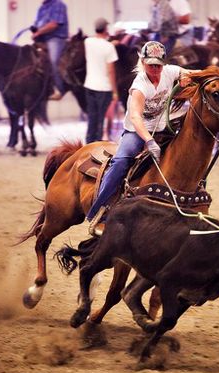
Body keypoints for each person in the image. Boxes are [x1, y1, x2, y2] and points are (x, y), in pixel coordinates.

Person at [86, 41, 195, 234]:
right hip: (137, 131)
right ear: (143, 62)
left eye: (158, 65)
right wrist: (149, 140)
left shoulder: (170, 72)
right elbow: (136, 117)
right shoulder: (139, 87)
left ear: (164, 63)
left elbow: (194, 73)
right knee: (121, 162)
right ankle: (99, 211)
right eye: (151, 64)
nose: (155, 68)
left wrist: (187, 78)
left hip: (163, 128)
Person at [84, 18, 119, 144]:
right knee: (101, 119)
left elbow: (96, 41)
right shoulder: (109, 47)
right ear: (105, 29)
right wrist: (115, 92)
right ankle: (97, 144)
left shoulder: (88, 42)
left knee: (92, 117)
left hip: (89, 85)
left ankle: (88, 143)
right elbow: (111, 71)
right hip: (104, 88)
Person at [31, 0, 69, 100]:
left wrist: (38, 31)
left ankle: (60, 89)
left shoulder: (59, 5)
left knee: (53, 62)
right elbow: (38, 24)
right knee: (31, 61)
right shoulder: (42, 8)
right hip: (42, 39)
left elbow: (54, 24)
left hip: (55, 38)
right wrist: (35, 29)